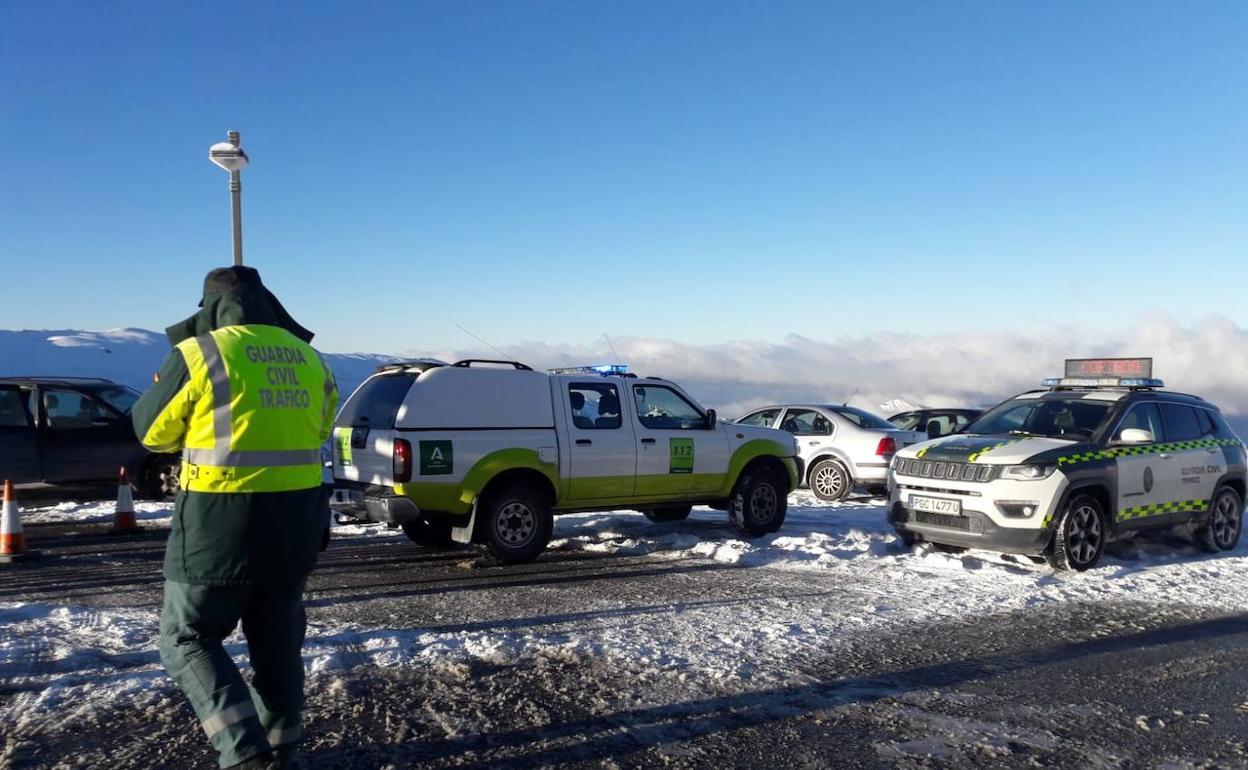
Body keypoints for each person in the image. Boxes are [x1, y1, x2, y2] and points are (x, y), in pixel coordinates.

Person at [132, 266, 338, 770]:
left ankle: (245, 753)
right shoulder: (311, 358)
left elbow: (151, 433)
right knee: (277, 635)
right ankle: (283, 746)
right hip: (295, 522)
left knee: (187, 637)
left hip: (219, 525)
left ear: (211, 307)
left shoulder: (199, 353)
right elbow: (321, 424)